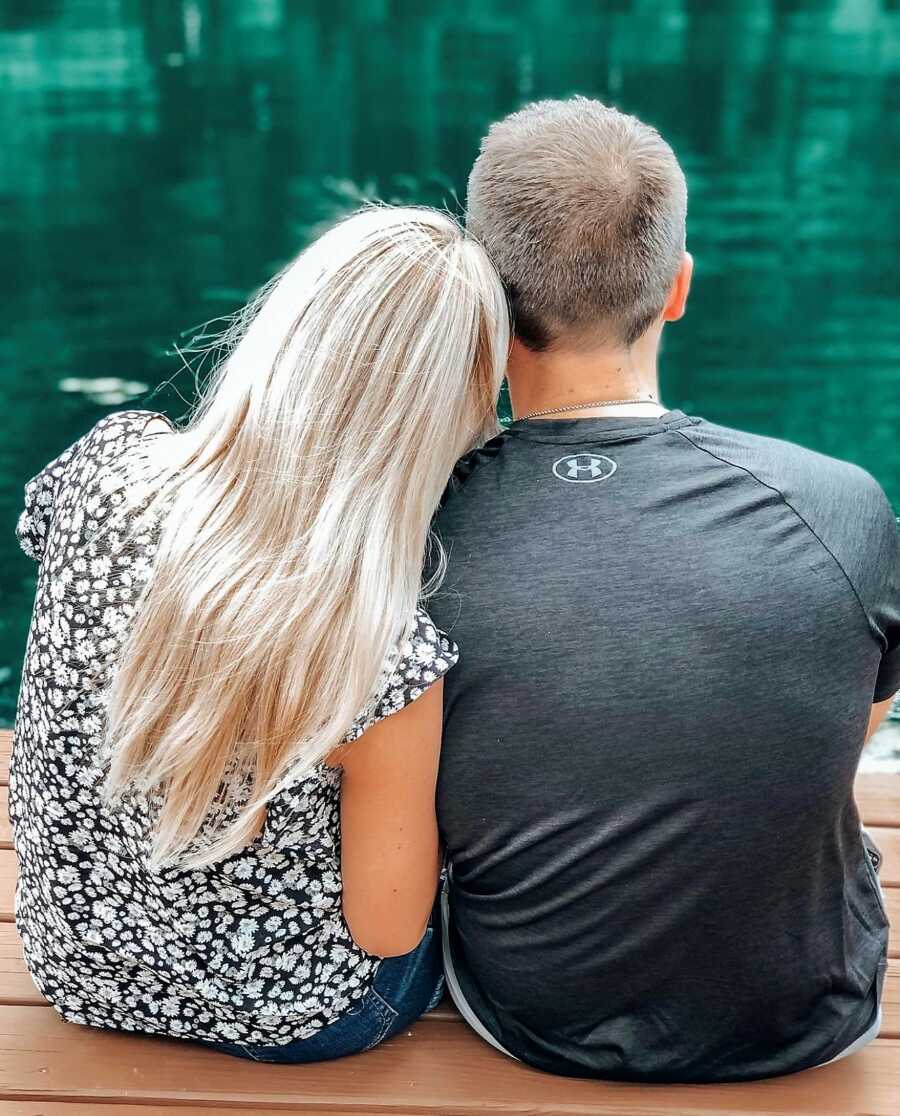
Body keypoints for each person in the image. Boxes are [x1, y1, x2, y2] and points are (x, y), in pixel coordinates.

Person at [429, 97, 900, 1083]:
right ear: (678, 287)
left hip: (526, 1018)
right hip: (810, 1018)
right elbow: (836, 735)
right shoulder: (840, 505)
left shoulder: (411, 528)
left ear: (478, 289)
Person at [10, 206, 509, 1062]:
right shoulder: (384, 649)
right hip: (299, 1019)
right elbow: (388, 931)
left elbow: (39, 535)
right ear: (440, 417)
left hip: (77, 965)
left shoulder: (107, 464)